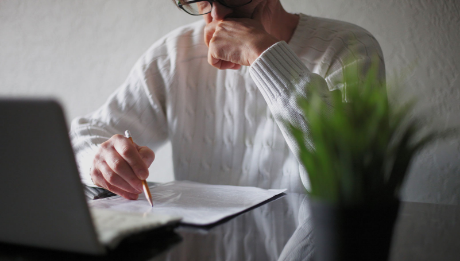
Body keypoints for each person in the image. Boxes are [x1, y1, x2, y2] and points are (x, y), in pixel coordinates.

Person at [71, 0, 385, 199]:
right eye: (201, 1)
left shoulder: (349, 47)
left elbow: (347, 178)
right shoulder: (175, 54)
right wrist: (98, 160)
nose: (217, 15)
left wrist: (264, 54)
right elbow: (83, 134)